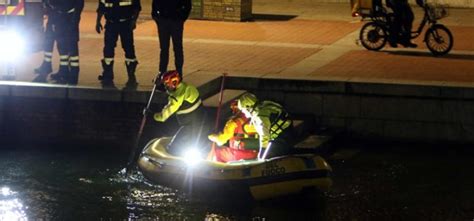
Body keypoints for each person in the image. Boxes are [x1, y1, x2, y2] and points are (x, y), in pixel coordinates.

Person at [150, 70, 210, 156]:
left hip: (190, 126)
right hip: (202, 121)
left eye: (167, 84)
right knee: (200, 144)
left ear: (174, 82)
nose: (166, 86)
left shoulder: (176, 98)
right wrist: (159, 87)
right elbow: (173, 91)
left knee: (173, 147)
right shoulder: (187, 87)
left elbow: (164, 116)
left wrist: (152, 115)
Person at [96, 0, 141, 87]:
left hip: (125, 23)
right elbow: (101, 6)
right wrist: (98, 21)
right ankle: (108, 73)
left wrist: (133, 20)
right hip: (111, 23)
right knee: (108, 49)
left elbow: (136, 6)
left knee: (128, 48)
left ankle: (131, 74)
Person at [236, 93, 295, 160]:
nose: (243, 112)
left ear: (248, 107)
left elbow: (264, 135)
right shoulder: (264, 106)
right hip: (287, 133)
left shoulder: (260, 116)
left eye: (243, 109)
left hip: (281, 137)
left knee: (269, 158)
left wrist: (261, 153)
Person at [42, 0, 84, 85]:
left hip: (69, 16)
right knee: (62, 45)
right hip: (60, 15)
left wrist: (74, 20)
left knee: (72, 45)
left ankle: (74, 73)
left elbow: (79, 4)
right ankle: (64, 71)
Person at [151, 0, 192, 78]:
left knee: (177, 47)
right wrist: (156, 17)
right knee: (164, 48)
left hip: (175, 21)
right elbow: (155, 4)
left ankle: (179, 71)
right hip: (164, 20)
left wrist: (181, 18)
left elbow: (187, 5)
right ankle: (162, 71)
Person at [33, 1, 56, 80]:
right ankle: (46, 64)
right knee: (49, 38)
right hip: (54, 9)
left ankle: (63, 68)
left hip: (58, 9)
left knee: (58, 40)